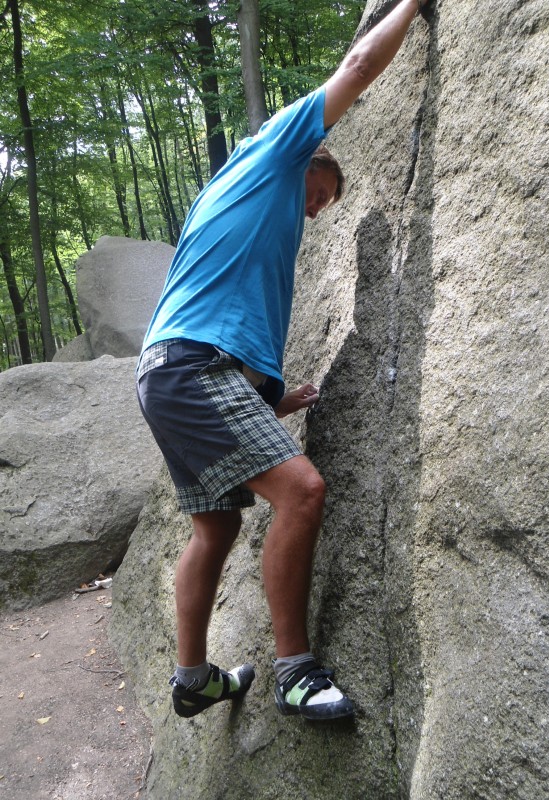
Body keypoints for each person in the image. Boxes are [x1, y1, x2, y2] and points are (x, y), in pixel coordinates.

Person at [137, 0, 430, 721]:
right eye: (320, 197)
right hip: (191, 368)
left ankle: (194, 677)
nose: (315, 213)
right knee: (302, 491)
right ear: (307, 160)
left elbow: (215, 305)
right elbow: (358, 67)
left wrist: (268, 403)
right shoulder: (275, 151)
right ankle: (296, 673)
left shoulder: (222, 196)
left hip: (170, 373)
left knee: (217, 526)